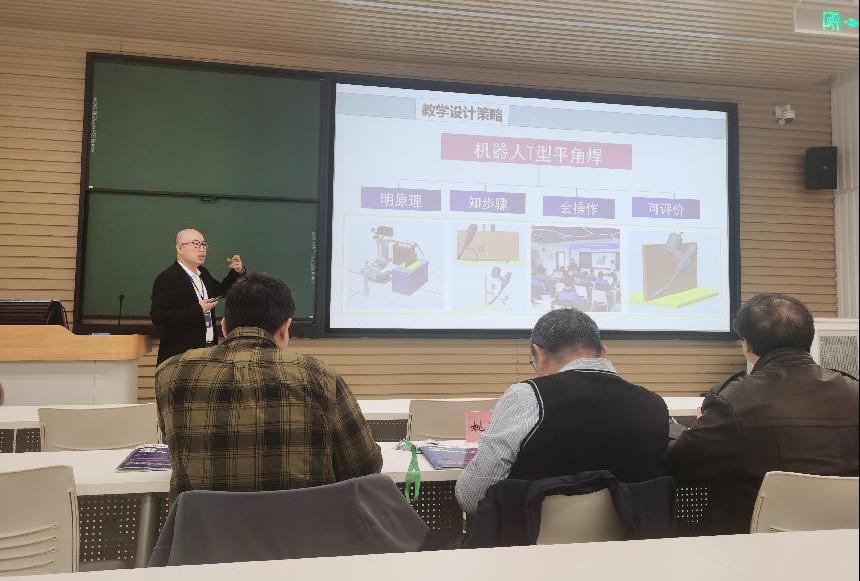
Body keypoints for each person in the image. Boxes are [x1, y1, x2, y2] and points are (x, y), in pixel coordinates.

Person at [155, 272, 383, 498]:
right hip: (303, 522)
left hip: (203, 522)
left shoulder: (171, 374)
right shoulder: (321, 377)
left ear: (223, 326)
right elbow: (365, 467)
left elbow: (175, 449)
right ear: (285, 328)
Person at [666, 293, 859, 535]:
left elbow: (680, 464)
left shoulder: (734, 401)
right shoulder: (854, 391)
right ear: (807, 339)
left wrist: (674, 429)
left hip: (756, 547)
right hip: (846, 543)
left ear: (747, 345)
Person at [455, 308, 670, 514]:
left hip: (532, 538)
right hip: (633, 539)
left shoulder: (527, 397)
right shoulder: (655, 406)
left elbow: (473, 498)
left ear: (539, 354)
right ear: (603, 352)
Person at [151, 228, 245, 365]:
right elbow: (159, 316)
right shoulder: (168, 278)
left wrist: (236, 272)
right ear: (180, 248)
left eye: (204, 244)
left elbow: (221, 291)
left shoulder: (202, 273)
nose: (202, 249)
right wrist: (198, 310)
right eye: (196, 244)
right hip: (180, 357)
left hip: (208, 350)